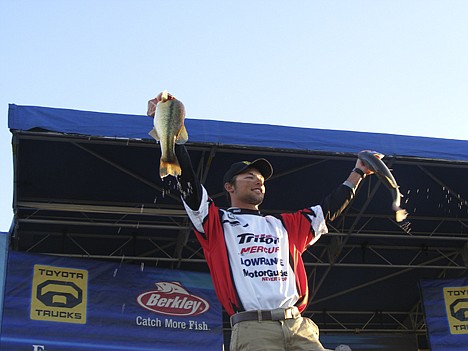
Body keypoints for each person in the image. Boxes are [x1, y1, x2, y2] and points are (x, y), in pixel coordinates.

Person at [149, 91, 365, 351]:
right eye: (248, 176)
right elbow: (189, 183)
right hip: (254, 328)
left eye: (260, 177)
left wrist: (359, 172)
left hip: (298, 325)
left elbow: (328, 210)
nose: (258, 180)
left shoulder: (286, 225)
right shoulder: (215, 221)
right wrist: (169, 131)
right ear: (229, 187)